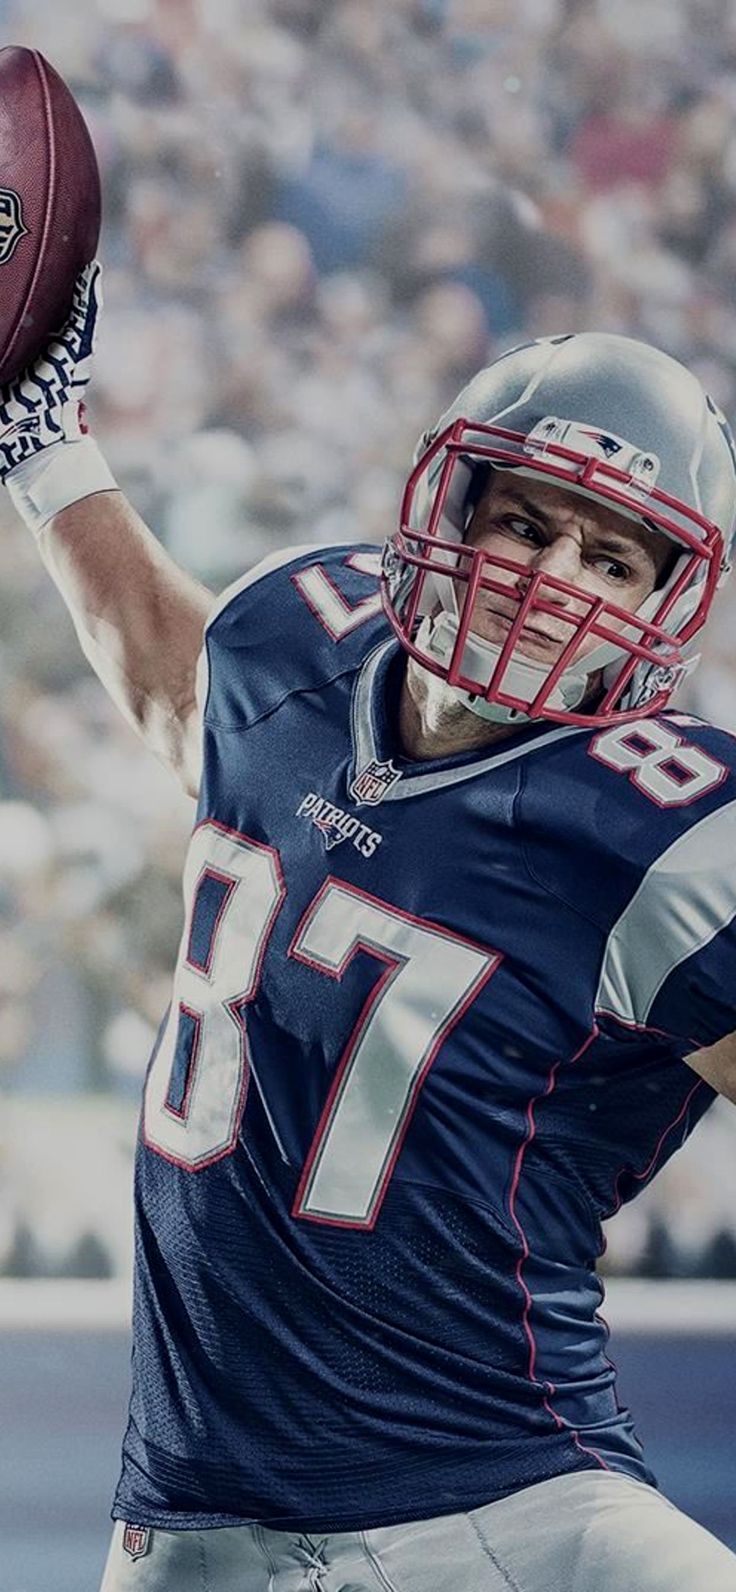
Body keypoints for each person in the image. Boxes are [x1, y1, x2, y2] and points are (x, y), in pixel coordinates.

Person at [4, 266, 736, 1592]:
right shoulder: (301, 638)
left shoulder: (675, 832)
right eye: (528, 525)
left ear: (659, 604)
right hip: (191, 1530)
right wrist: (44, 450)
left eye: (611, 557)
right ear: (449, 509)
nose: (556, 580)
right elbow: (179, 686)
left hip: (510, 1506)